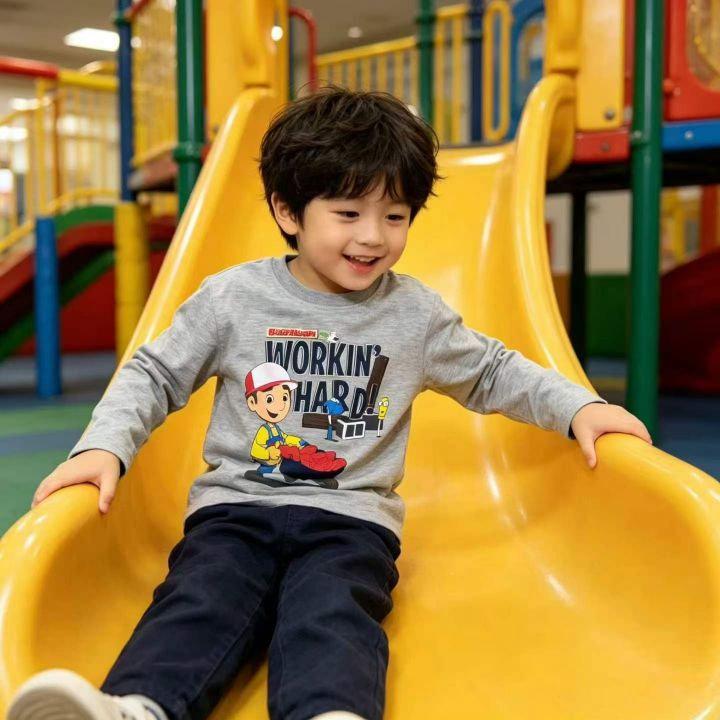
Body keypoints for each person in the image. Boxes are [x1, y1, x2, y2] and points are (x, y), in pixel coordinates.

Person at [7, 87, 651, 720]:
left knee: (333, 611)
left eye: (395, 216)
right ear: (289, 211)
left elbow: (492, 371)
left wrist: (577, 407)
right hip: (236, 508)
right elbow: (154, 374)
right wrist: (104, 446)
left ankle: (330, 712)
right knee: (202, 596)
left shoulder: (413, 314)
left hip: (351, 520)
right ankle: (139, 707)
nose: (373, 237)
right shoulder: (233, 299)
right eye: (348, 213)